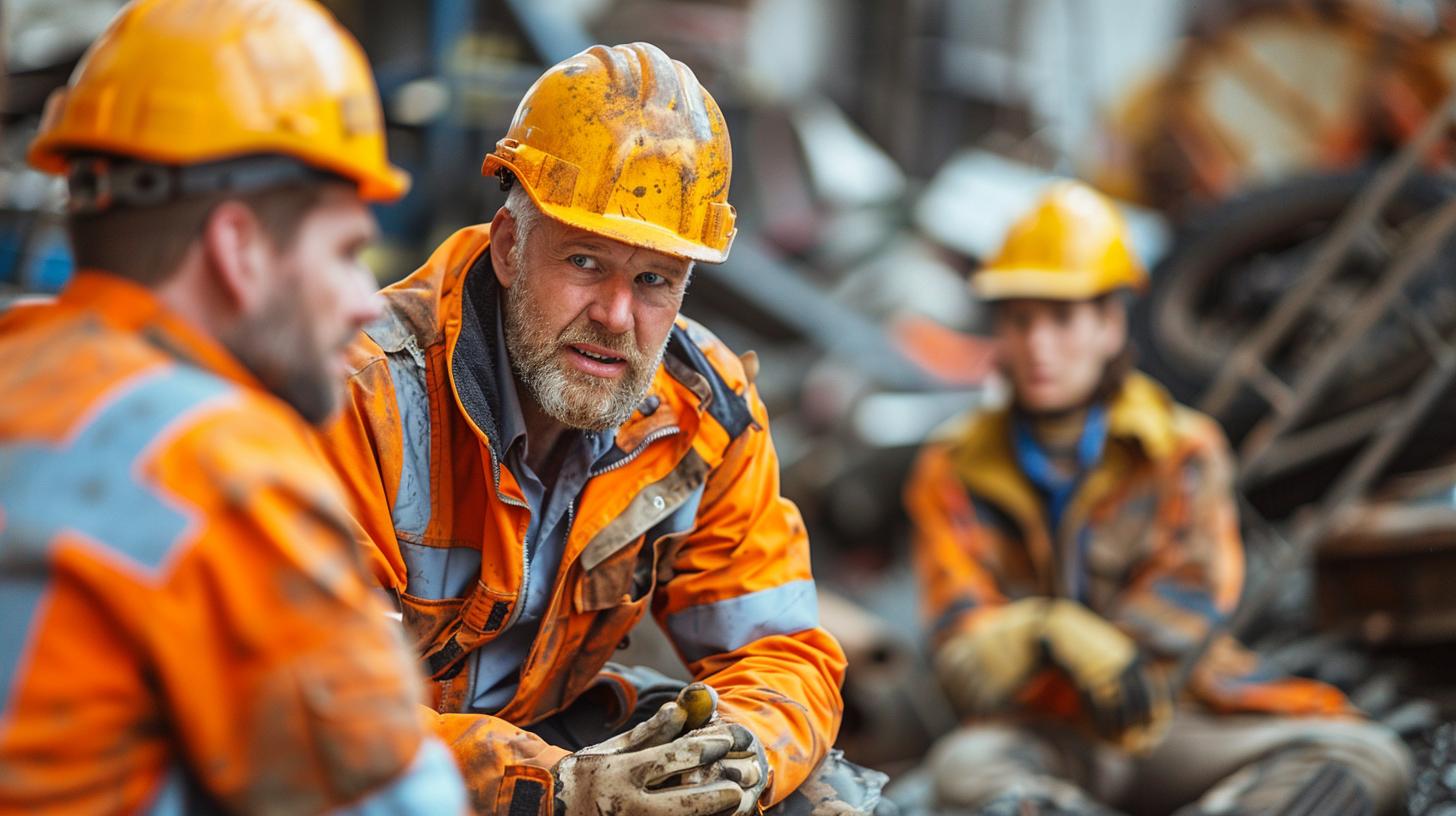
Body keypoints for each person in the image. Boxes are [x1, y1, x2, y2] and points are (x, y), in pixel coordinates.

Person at [316, 41, 889, 815]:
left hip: (543, 738)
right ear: (511, 246)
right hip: (381, 775)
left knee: (819, 795)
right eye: (585, 261)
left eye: (655, 279)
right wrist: (551, 790)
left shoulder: (702, 416)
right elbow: (318, 715)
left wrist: (741, 753)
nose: (617, 317)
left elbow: (778, 652)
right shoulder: (361, 395)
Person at [0, 0, 467, 812]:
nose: (367, 301)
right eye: (347, 251)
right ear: (237, 248)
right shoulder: (225, 469)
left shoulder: (22, 364)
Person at [902, 182, 1412, 815]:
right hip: (1047, 733)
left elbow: (1186, 621)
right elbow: (963, 653)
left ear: (1111, 326)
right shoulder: (951, 466)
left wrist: (1072, 646)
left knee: (1363, 758)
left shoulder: (1183, 448)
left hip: (1177, 717)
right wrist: (1047, 629)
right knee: (966, 769)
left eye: (1062, 319)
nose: (1040, 346)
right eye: (1021, 320)